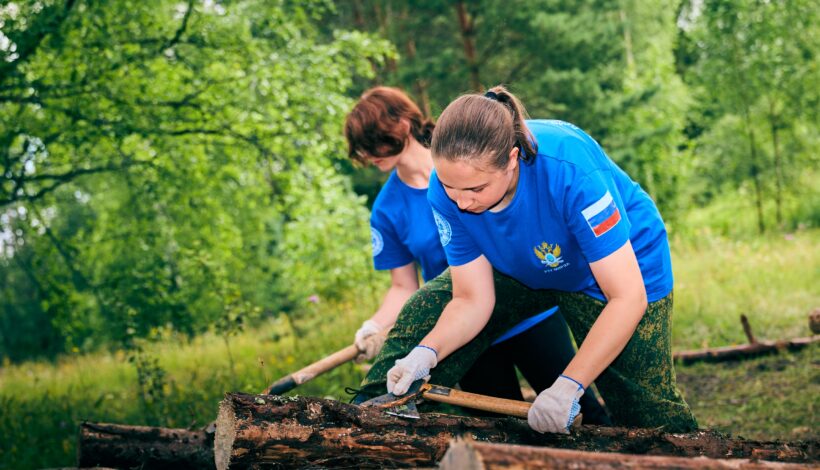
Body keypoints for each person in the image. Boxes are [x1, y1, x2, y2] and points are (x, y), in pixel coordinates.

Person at [354, 85, 698, 434]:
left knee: (642, 410)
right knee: (426, 309)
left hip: (617, 272)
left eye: (475, 190)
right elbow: (471, 299)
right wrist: (426, 352)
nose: (461, 203)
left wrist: (568, 386)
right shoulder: (445, 191)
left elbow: (628, 297)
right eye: (450, 189)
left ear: (512, 160)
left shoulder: (570, 170)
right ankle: (365, 423)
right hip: (523, 264)